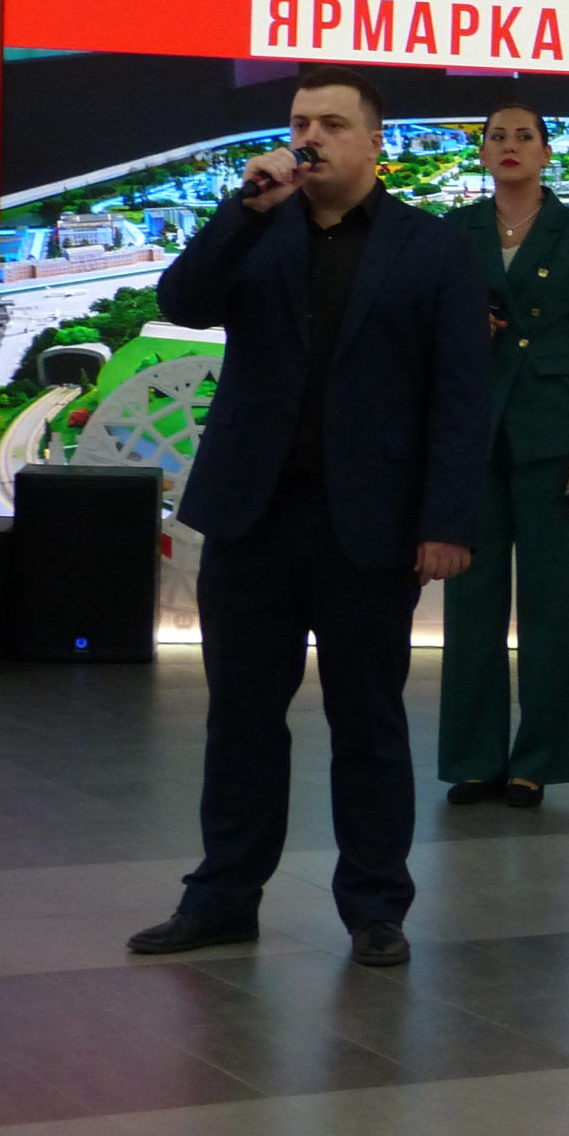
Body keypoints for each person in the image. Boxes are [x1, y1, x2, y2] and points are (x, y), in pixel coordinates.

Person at [127, 64, 486, 969]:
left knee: (369, 722)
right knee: (241, 717)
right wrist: (243, 212)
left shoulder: (432, 248)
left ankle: (375, 905)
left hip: (370, 524)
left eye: (331, 123)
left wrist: (447, 521)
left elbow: (460, 397)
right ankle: (221, 897)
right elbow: (182, 302)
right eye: (299, 123)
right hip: (251, 516)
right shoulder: (258, 228)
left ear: (375, 142)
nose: (310, 138)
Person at [437, 102, 569, 810]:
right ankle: (474, 758)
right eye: (497, 137)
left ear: (546, 153)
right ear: (482, 154)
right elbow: (425, 328)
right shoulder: (455, 231)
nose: (509, 145)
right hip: (472, 434)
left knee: (551, 607)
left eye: (524, 136)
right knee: (471, 603)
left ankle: (537, 760)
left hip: (552, 436)